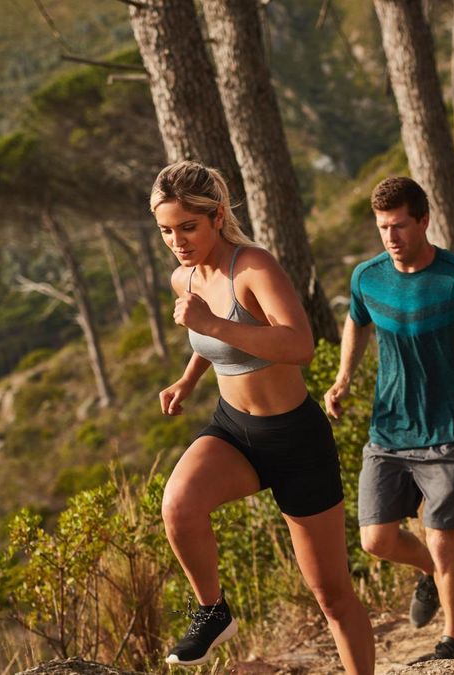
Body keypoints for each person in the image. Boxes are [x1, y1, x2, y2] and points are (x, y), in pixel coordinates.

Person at [152, 160, 374, 672]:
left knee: (332, 595)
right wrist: (188, 378)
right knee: (178, 507)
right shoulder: (182, 277)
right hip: (234, 427)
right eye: (166, 230)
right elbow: (212, 337)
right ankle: (212, 611)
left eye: (189, 227)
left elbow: (299, 345)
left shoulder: (253, 267)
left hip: (295, 439)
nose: (178, 242)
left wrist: (209, 322)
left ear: (217, 217)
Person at [324, 176, 454, 662]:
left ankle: (453, 643)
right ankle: (433, 574)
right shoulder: (368, 276)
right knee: (376, 540)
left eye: (398, 226)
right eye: (382, 228)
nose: (390, 237)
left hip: (447, 431)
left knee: (443, 541)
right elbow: (356, 319)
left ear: (424, 221)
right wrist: (343, 376)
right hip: (388, 429)